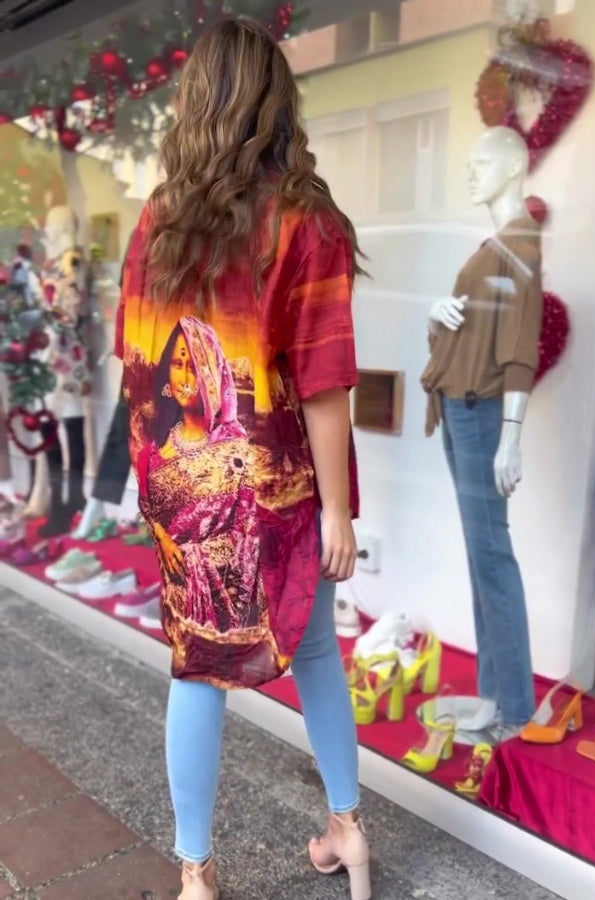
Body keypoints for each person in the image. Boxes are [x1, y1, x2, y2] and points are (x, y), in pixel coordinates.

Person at [115, 17, 370, 900]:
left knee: (197, 667)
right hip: (286, 488)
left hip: (184, 492)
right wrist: (337, 510)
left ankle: (195, 875)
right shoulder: (308, 220)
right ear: (275, 101)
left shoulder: (159, 221)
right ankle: (348, 832)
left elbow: (138, 364)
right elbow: (328, 379)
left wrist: (158, 486)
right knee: (317, 657)